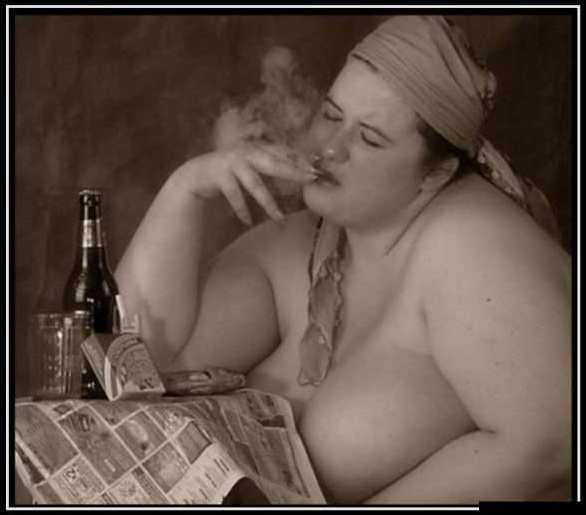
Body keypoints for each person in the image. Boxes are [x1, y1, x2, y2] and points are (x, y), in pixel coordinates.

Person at [115, 16, 571, 504]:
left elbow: (551, 450)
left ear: (435, 175)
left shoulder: (474, 246)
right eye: (332, 115)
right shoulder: (307, 239)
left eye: (369, 138)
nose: (330, 148)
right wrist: (185, 191)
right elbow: (129, 370)